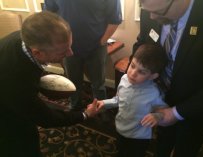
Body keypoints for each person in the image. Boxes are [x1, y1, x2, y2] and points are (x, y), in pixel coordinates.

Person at [0, 11, 98, 157]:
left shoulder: (24, 38)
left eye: (70, 46)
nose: (70, 53)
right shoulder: (17, 80)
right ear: (38, 53)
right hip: (6, 116)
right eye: (63, 51)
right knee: (22, 144)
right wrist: (84, 115)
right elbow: (46, 118)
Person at [133, 0, 203, 156]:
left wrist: (176, 113)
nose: (152, 17)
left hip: (195, 106)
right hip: (161, 100)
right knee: (162, 143)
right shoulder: (151, 10)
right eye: (147, 10)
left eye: (160, 12)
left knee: (186, 149)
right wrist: (133, 74)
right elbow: (142, 43)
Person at [89, 43, 168, 157]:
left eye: (142, 72)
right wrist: (105, 103)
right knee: (121, 151)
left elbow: (163, 110)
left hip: (139, 138)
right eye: (132, 65)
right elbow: (118, 99)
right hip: (120, 129)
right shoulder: (124, 79)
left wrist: (156, 116)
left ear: (152, 76)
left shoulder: (154, 93)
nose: (133, 73)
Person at [44, 0, 122, 110]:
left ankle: (100, 109)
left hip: (96, 47)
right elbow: (48, 15)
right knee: (72, 81)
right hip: (68, 46)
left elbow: (115, 20)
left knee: (98, 83)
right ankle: (75, 107)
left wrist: (101, 42)